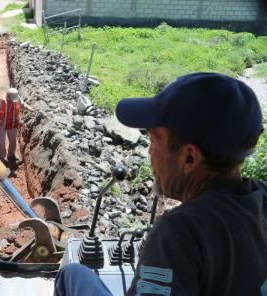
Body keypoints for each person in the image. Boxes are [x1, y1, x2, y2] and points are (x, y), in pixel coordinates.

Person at [55, 72, 267, 296]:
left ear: (189, 158)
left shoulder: (180, 233)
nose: (149, 152)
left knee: (70, 275)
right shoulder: (261, 197)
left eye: (153, 138)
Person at [0, 88, 36, 164]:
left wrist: (30, 109)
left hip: (12, 123)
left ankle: (11, 155)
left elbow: (23, 104)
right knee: (1, 142)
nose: (12, 101)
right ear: (8, 96)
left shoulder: (16, 98)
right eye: (11, 99)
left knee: (13, 141)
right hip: (1, 123)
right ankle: (1, 158)